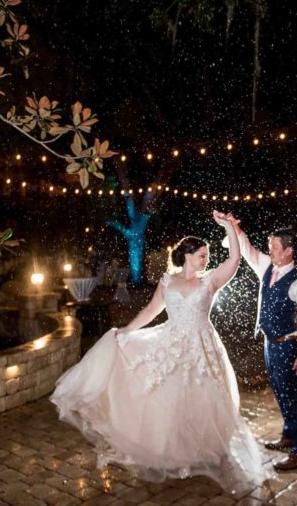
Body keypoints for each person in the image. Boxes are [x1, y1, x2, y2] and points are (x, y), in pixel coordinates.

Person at [51, 211, 272, 494]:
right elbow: (151, 310)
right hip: (171, 342)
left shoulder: (210, 281)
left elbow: (234, 260)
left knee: (202, 396)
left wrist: (228, 226)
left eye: (206, 255)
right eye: (201, 255)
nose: (206, 259)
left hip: (202, 345)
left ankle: (202, 449)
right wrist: (127, 332)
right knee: (169, 395)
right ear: (187, 256)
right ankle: (176, 451)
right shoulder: (168, 282)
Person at [227, 214, 297, 471]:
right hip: (271, 344)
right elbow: (247, 250)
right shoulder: (268, 266)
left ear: (289, 250)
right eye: (270, 247)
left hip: (289, 345)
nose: (270, 251)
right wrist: (235, 226)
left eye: (275, 247)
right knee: (280, 391)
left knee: (293, 397)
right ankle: (289, 435)